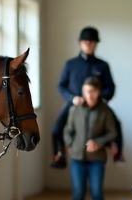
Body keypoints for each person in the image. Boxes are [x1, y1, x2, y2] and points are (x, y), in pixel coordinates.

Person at [51, 27, 122, 168]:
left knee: (117, 124)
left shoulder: (102, 65)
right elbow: (61, 86)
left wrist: (99, 98)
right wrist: (72, 98)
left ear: (96, 44)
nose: (89, 44)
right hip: (75, 105)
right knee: (56, 130)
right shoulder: (71, 64)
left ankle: (118, 154)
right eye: (86, 41)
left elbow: (111, 87)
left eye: (92, 42)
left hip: (97, 105)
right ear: (80, 43)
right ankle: (58, 155)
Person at [64, 77, 118, 200]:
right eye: (87, 91)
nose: (90, 95)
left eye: (93, 91)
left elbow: (112, 132)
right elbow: (68, 130)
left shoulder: (105, 111)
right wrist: (69, 144)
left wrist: (98, 143)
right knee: (78, 193)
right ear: (83, 91)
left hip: (97, 159)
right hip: (77, 158)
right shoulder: (75, 110)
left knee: (96, 193)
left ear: (99, 92)